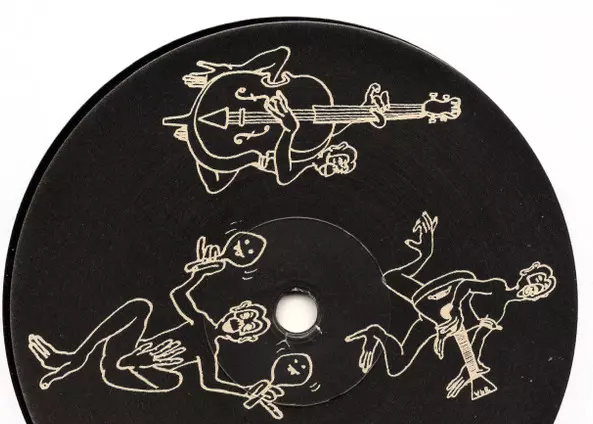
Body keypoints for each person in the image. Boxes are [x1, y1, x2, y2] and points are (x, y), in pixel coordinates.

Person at [27, 235, 289, 415]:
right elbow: (179, 294)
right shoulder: (199, 321)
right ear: (233, 310)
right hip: (122, 352)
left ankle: (131, 363)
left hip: (127, 371)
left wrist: (245, 391)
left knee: (173, 380)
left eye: (248, 326)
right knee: (140, 307)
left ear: (243, 338)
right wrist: (199, 273)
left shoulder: (210, 351)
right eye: (243, 316)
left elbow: (211, 382)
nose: (240, 323)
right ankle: (75, 358)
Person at [345, 212, 557, 399]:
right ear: (525, 274)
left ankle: (376, 334)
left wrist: (469, 369)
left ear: (536, 297)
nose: (534, 286)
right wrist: (455, 307)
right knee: (393, 279)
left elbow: (479, 338)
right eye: (536, 279)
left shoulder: (497, 315)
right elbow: (466, 285)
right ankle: (426, 255)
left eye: (541, 288)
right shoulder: (498, 287)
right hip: (439, 299)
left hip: (436, 323)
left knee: (397, 365)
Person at [163, 47, 389, 193]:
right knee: (282, 54)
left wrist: (288, 130)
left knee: (215, 185)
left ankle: (194, 139)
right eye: (341, 161)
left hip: (240, 142)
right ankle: (224, 77)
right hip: (240, 99)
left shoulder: (308, 157)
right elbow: (280, 54)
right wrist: (230, 74)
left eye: (340, 169)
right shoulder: (326, 135)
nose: (338, 167)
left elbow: (284, 176)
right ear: (336, 149)